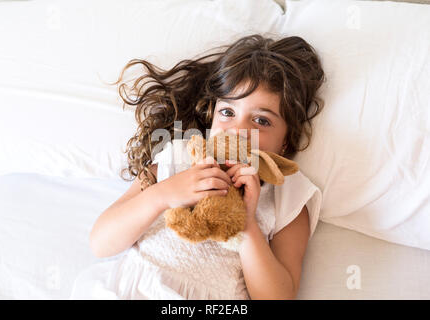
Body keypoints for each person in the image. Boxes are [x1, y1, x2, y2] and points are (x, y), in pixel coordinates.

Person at [70, 34, 325, 300]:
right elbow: (101, 243)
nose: (238, 131)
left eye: (261, 120)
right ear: (212, 117)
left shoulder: (287, 195)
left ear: (285, 143)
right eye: (227, 112)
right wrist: (163, 194)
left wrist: (248, 225)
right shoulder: (179, 156)